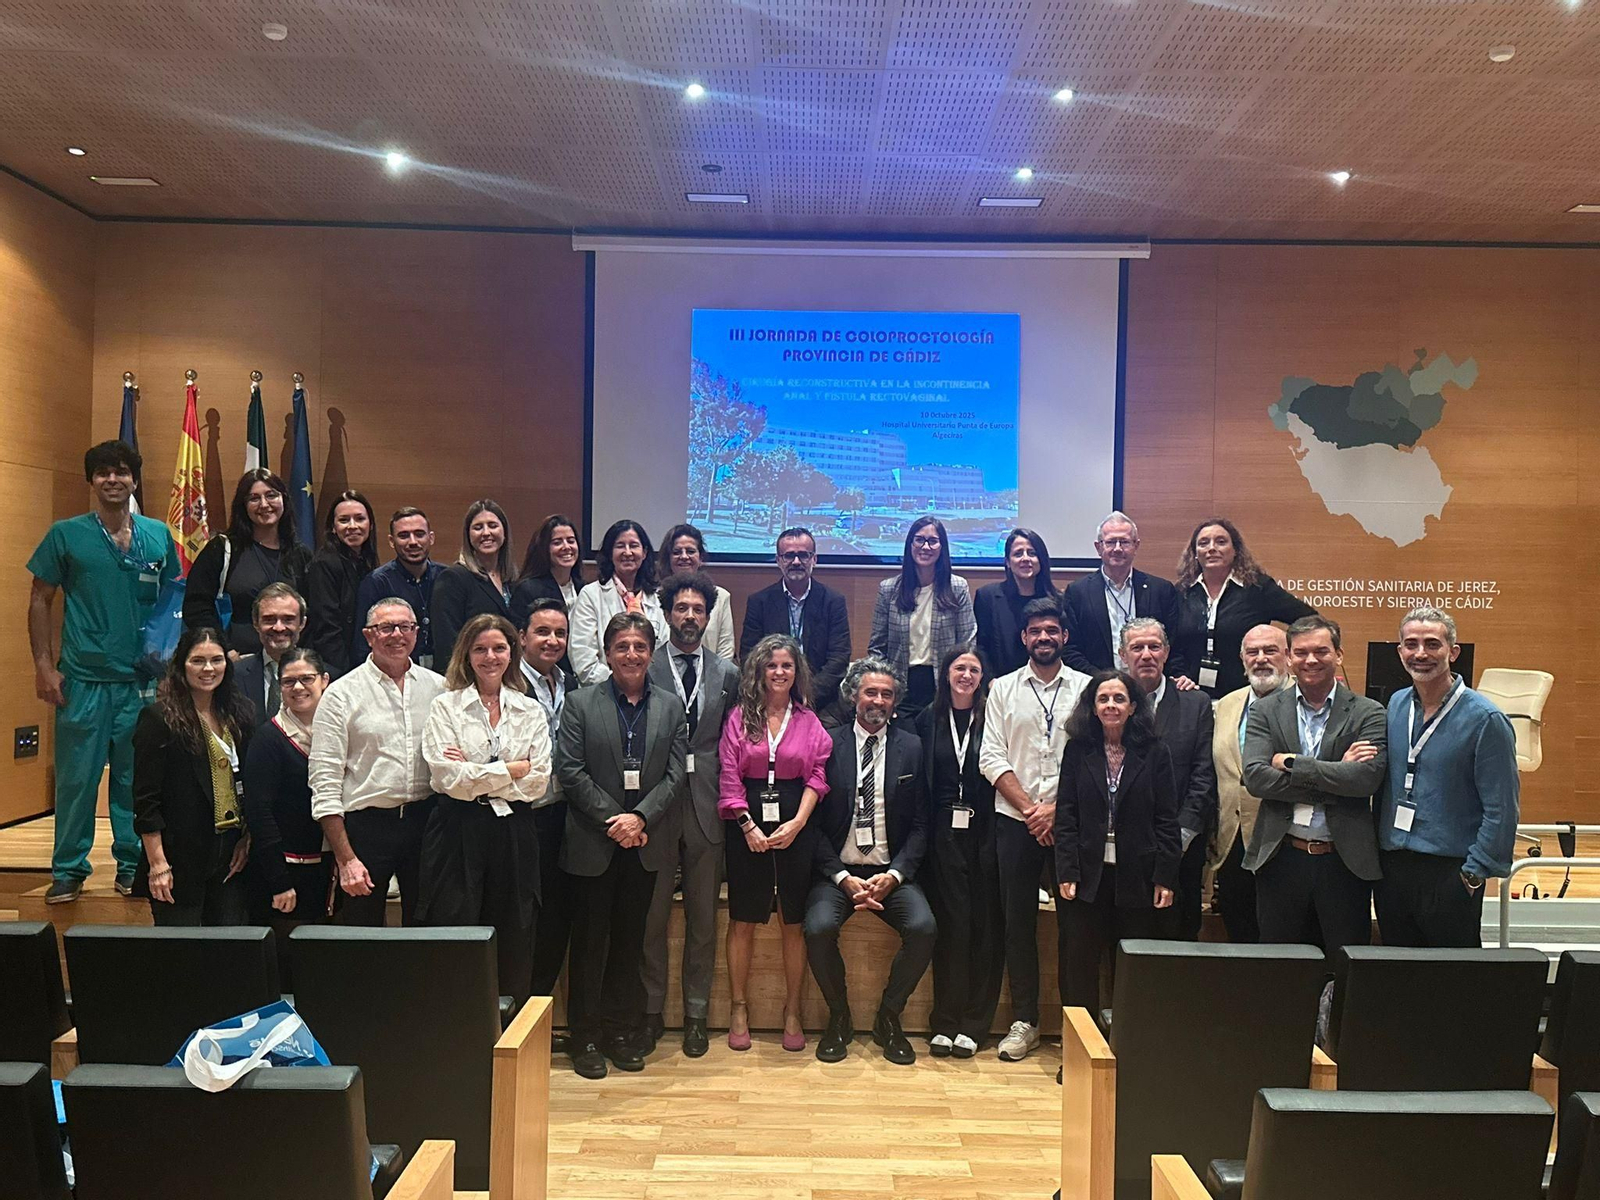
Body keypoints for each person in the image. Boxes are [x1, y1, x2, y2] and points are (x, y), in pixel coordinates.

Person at [27, 440, 181, 902]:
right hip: (83, 680)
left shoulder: (158, 535)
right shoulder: (66, 534)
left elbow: (173, 602)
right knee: (77, 779)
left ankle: (132, 863)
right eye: (102, 473)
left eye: (121, 472)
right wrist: (42, 665)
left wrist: (171, 669)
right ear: (91, 481)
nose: (112, 479)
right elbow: (40, 598)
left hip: (142, 683)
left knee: (136, 780)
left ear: (134, 480)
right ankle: (69, 869)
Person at [557, 612, 687, 1079]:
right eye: (622, 647)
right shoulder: (579, 703)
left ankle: (618, 1033)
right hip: (594, 842)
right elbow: (569, 770)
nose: (631, 654)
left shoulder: (671, 706)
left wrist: (641, 818)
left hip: (645, 843)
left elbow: (676, 775)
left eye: (640, 646)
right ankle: (585, 1037)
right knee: (590, 944)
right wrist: (616, 820)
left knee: (629, 945)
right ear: (608, 653)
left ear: (651, 653)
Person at [806, 656, 935, 1066]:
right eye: (870, 692)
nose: (878, 700)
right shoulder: (828, 744)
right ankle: (839, 1017)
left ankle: (889, 1017)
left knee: (924, 928)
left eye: (887, 693)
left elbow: (920, 826)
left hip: (890, 874)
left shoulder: (912, 747)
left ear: (895, 702)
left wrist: (895, 875)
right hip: (838, 874)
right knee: (818, 927)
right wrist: (842, 877)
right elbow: (814, 826)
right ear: (853, 697)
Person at [978, 597, 1091, 1062]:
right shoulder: (1002, 688)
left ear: (1064, 637)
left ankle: (1076, 1027)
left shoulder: (1088, 687)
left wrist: (1056, 811)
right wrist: (1031, 810)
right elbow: (991, 757)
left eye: (1052, 630)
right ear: (1024, 639)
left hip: (1072, 825)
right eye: (1035, 631)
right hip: (1014, 823)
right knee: (1017, 924)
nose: (1044, 638)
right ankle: (1024, 1020)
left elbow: (1092, 760)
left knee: (1076, 927)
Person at [420, 614, 552, 1003]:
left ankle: (509, 1036)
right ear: (466, 654)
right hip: (456, 829)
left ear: (513, 652)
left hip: (514, 830)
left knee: (515, 928)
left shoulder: (529, 710)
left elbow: (538, 780)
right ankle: (456, 1031)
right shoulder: (446, 707)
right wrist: (511, 768)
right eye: (480, 649)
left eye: (499, 648)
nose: (490, 656)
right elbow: (447, 779)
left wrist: (475, 771)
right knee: (457, 927)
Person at [1375, 608, 1519, 948]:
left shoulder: (1486, 719)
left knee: (1452, 984)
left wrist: (1473, 873)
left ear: (1452, 652)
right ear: (1399, 652)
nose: (1420, 653)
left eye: (1432, 644)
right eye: (1411, 644)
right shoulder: (1395, 705)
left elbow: (1502, 807)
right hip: (1394, 867)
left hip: (1450, 870)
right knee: (1397, 974)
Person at [1242, 615, 1386, 951]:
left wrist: (1291, 764)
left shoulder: (1368, 712)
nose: (1310, 660)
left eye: (1321, 651)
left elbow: (1365, 780)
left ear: (1338, 655)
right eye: (1301, 652)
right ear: (1289, 658)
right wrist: (1337, 773)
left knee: (1344, 965)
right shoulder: (1265, 710)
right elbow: (1257, 778)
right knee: (1280, 967)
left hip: (1343, 861)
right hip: (1281, 858)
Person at [717, 634, 833, 1052]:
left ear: (796, 672)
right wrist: (747, 825)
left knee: (793, 921)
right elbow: (729, 774)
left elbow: (818, 775)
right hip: (744, 822)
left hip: (794, 823)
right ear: (759, 671)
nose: (780, 672)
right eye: (772, 665)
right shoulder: (739, 717)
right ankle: (739, 1007)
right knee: (743, 919)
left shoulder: (808, 720)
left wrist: (798, 822)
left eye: (787, 665)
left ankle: (792, 1011)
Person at [642, 571, 739, 1056]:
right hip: (657, 807)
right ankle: (651, 1012)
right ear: (666, 614)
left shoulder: (726, 673)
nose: (689, 616)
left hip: (707, 804)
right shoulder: (646, 666)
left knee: (703, 919)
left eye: (697, 609)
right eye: (681, 608)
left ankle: (697, 1013)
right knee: (652, 919)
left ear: (708, 616)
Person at [310, 598, 446, 926]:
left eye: (406, 627)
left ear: (416, 633)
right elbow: (324, 780)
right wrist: (346, 859)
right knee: (362, 932)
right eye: (386, 627)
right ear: (369, 635)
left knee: (429, 928)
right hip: (366, 828)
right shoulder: (341, 694)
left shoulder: (439, 687)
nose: (397, 634)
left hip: (425, 822)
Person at [1054, 670, 1180, 1011]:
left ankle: (1127, 1053)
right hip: (1086, 876)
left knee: (1130, 964)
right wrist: (1067, 870)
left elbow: (1167, 818)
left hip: (1137, 874)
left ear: (1134, 707)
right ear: (1093, 708)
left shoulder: (1155, 751)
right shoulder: (1078, 751)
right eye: (1103, 699)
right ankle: (1081, 1052)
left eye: (1119, 698)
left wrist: (1165, 875)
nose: (1111, 705)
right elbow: (1066, 814)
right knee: (1079, 964)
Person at [132, 626, 254, 926]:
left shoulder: (240, 714)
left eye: (217, 660)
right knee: (182, 959)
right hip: (179, 857)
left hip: (231, 855)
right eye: (198, 660)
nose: (208, 669)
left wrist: (246, 838)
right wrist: (158, 863)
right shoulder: (159, 719)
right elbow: (146, 800)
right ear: (181, 665)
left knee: (227, 954)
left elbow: (250, 782)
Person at [915, 647, 1002, 1059]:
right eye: (959, 668)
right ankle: (944, 1022)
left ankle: (974, 1023)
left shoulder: (993, 719)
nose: (966, 675)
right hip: (941, 837)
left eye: (974, 669)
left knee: (984, 928)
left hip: (987, 833)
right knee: (950, 929)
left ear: (983, 677)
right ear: (945, 674)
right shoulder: (926, 720)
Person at [1119, 618, 1216, 940]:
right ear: (1123, 655)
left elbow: (1203, 774)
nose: (1146, 654)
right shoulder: (1108, 702)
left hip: (1182, 843)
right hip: (1123, 845)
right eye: (1137, 647)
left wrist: (1181, 836)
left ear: (1166, 652)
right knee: (1127, 939)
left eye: (1154, 646)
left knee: (1180, 934)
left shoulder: (1195, 702)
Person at [242, 647, 334, 958]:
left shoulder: (339, 733)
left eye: (306, 679)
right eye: (288, 681)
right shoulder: (268, 739)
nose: (297, 688)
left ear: (324, 680)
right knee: (287, 970)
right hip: (285, 873)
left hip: (327, 868)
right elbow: (259, 813)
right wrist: (279, 881)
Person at [1206, 625, 1292, 942]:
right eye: (1252, 652)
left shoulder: (1306, 704)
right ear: (1242, 659)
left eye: (1270, 650)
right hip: (1233, 842)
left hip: (1286, 843)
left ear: (1288, 656)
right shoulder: (1226, 704)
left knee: (1283, 940)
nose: (1260, 659)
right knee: (1239, 932)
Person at [1173, 517, 1315, 699]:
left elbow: (1309, 620)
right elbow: (1172, 642)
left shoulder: (1257, 588)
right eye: (1203, 543)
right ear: (1194, 552)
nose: (1211, 548)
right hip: (1193, 696)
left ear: (1235, 550)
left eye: (1221, 542)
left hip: (1247, 695)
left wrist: (1285, 654)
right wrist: (1178, 674)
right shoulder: (1182, 591)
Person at [519, 598, 579, 1020]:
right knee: (522, 920)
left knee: (558, 917)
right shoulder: (503, 686)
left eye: (560, 633)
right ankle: (512, 1015)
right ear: (522, 637)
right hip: (520, 817)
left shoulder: (570, 684)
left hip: (564, 814)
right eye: (542, 632)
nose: (552, 640)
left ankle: (538, 1012)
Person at [184, 469, 312, 657]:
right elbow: (196, 607)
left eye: (271, 496)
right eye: (254, 498)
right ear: (243, 506)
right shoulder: (222, 549)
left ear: (284, 499)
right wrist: (222, 648)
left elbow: (310, 612)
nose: (264, 504)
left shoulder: (300, 554)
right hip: (236, 662)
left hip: (288, 663)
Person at [739, 527, 852, 726]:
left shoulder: (833, 601)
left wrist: (807, 695)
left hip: (821, 703)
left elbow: (839, 658)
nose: (797, 562)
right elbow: (750, 655)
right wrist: (778, 693)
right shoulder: (760, 602)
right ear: (778, 560)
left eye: (803, 555)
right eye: (789, 555)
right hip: (770, 698)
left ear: (814, 559)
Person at [868, 516, 976, 718]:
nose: (925, 547)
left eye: (932, 541)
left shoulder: (957, 588)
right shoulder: (889, 589)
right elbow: (877, 648)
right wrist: (886, 686)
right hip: (902, 689)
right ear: (910, 545)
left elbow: (967, 643)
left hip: (944, 688)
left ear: (942, 547)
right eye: (919, 540)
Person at [1063, 512, 1188, 679]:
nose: (1117, 548)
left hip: (1150, 686)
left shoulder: (1161, 590)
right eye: (1110, 542)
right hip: (1097, 688)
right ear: (1098, 547)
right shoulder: (1078, 592)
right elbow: (1070, 649)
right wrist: (1103, 681)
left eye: (1124, 542)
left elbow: (1173, 644)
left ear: (1136, 546)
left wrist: (1176, 676)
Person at [569, 519, 667, 685]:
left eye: (634, 545)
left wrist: (646, 688)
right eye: (620, 546)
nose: (627, 552)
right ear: (609, 553)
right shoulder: (591, 595)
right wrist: (622, 686)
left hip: (652, 693)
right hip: (602, 693)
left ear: (644, 553)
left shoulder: (659, 596)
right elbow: (582, 659)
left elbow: (664, 653)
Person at [431, 499, 518, 672]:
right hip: (468, 679)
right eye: (478, 527)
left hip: (506, 677)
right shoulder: (453, 579)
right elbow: (447, 643)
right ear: (468, 536)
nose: (486, 533)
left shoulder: (513, 580)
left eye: (492, 525)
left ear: (504, 532)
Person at [353, 507, 445, 669]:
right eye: (403, 536)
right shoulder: (376, 582)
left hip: (445, 672)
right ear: (391, 541)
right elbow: (364, 642)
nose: (413, 542)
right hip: (395, 673)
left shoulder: (447, 578)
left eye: (419, 534)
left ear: (431, 538)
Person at [305, 490, 377, 678]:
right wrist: (347, 675)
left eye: (359, 519)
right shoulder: (324, 563)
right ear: (333, 527)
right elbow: (326, 627)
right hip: (337, 667)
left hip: (362, 661)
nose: (353, 526)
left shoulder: (366, 561)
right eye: (344, 520)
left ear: (370, 525)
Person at [973, 527, 1059, 680]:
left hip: (1047, 684)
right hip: (1000, 688)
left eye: (1032, 553)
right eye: (1018, 553)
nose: (1025, 559)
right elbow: (981, 648)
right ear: (1007, 562)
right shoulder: (988, 597)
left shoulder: (1058, 600)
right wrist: (990, 682)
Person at [233, 583, 308, 729]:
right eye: (269, 619)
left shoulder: (326, 679)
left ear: (302, 623)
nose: (279, 627)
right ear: (256, 623)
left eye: (288, 619)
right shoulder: (234, 676)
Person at [658, 523, 736, 660]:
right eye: (676, 552)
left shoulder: (721, 597)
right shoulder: (654, 597)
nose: (684, 556)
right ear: (668, 559)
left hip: (711, 678)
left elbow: (725, 651)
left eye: (690, 551)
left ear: (700, 558)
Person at [511, 512, 583, 630]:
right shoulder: (527, 590)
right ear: (544, 548)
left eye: (570, 541)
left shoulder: (583, 589)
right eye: (557, 542)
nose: (566, 547)